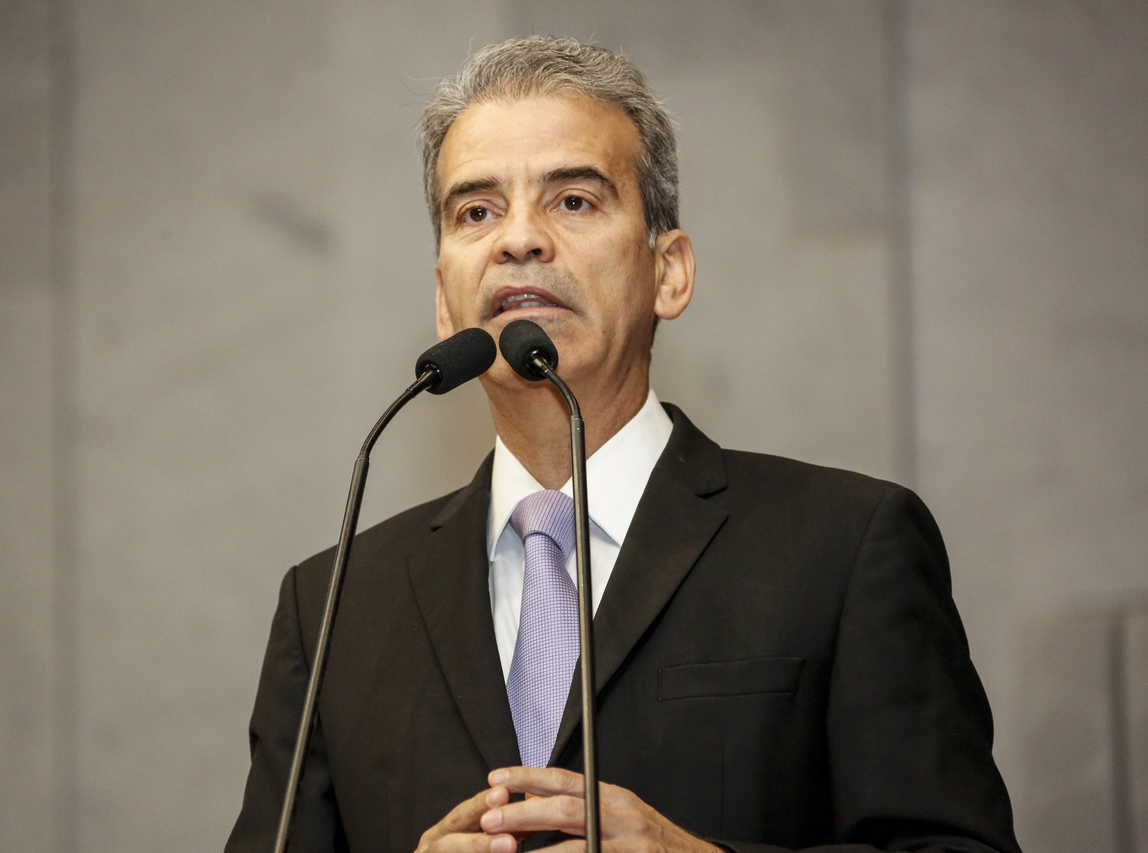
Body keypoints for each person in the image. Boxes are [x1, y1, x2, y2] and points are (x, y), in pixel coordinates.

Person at [225, 37, 1021, 853]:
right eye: (477, 212)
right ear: (443, 300)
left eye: (573, 200)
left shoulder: (846, 546)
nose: (518, 240)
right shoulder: (333, 606)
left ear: (668, 272)